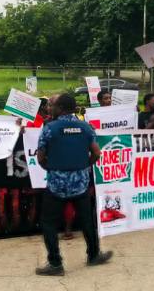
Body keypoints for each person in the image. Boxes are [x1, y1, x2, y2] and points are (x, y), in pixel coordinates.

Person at [35, 93, 112, 276]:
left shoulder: (49, 128)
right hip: (81, 184)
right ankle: (93, 255)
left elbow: (40, 157)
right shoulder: (86, 128)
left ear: (60, 108)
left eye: (53, 106)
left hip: (56, 185)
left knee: (49, 224)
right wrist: (84, 166)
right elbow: (96, 154)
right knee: (87, 221)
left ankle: (55, 264)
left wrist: (53, 169)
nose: (51, 109)